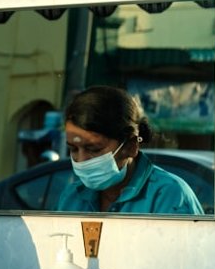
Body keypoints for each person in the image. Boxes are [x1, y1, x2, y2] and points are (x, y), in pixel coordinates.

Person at [53, 85, 202, 214]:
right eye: (73, 149)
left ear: (131, 146)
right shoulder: (72, 197)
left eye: (94, 149)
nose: (82, 160)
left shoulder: (170, 196)